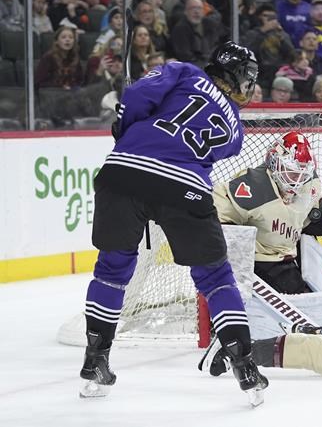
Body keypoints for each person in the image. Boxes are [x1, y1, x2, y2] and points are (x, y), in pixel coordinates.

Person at [78, 41, 268, 403]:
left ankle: (95, 361)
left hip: (124, 173)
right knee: (215, 278)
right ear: (237, 77)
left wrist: (124, 127)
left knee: (112, 270)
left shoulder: (183, 71)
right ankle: (244, 364)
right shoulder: (235, 131)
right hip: (184, 188)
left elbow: (136, 96)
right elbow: (203, 141)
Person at [211, 131, 322, 294]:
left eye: (302, 175)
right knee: (300, 296)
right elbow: (218, 215)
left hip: (289, 255)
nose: (297, 181)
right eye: (292, 172)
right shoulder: (254, 187)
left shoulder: (309, 185)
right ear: (275, 163)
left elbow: (314, 214)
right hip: (260, 262)